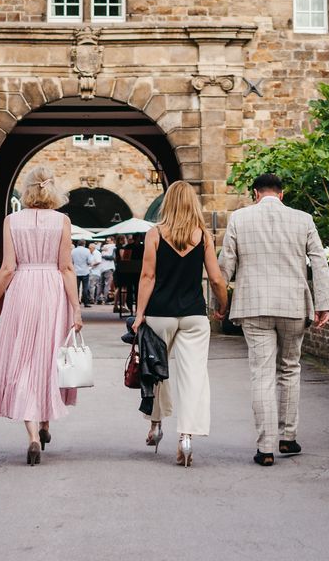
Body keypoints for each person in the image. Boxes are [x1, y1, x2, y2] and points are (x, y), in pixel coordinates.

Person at [219, 171, 329, 467]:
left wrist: (220, 302)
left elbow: (226, 263)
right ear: (281, 194)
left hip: (254, 305)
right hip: (294, 304)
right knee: (290, 368)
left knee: (262, 373)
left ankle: (266, 447)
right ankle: (288, 437)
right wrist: (324, 303)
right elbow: (319, 261)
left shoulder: (239, 219)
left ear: (255, 193)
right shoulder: (303, 219)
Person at [0, 167, 81, 466]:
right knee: (48, 356)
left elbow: (8, 267)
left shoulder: (12, 221)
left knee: (23, 359)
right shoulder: (62, 221)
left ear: (26, 190)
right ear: (53, 190)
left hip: (23, 288)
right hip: (52, 290)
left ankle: (33, 435)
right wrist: (75, 309)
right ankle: (46, 422)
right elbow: (66, 268)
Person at [131, 182, 227, 468]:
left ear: (168, 202)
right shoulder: (204, 236)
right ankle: (186, 437)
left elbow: (147, 277)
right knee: (194, 376)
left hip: (160, 313)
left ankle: (156, 425)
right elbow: (216, 279)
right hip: (194, 315)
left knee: (157, 371)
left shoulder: (155, 234)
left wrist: (139, 314)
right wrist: (223, 304)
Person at [71, 240, 95, 305]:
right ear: (84, 244)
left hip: (76, 271)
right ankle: (86, 302)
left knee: (76, 288)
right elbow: (90, 261)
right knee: (85, 288)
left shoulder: (73, 251)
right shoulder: (87, 251)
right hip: (85, 271)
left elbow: (71, 261)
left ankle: (76, 302)